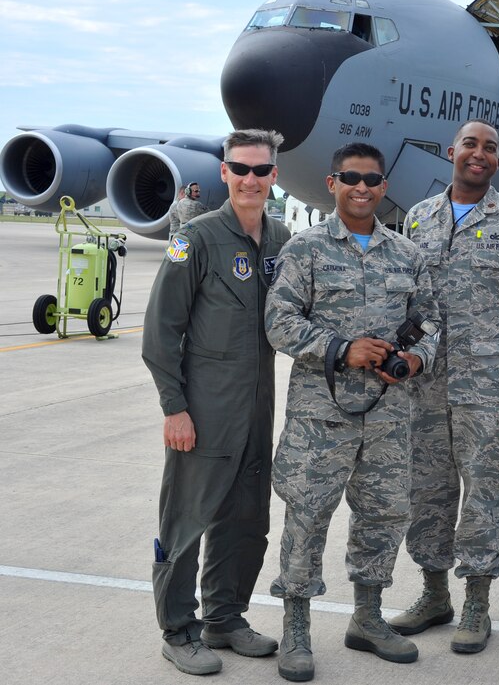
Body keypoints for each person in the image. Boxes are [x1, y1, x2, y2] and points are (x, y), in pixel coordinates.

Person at [264, 142, 439, 681]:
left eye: (371, 179)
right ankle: (296, 627)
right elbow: (279, 322)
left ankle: (367, 617)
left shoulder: (407, 254)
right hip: (321, 417)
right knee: (308, 514)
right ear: (332, 183)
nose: (361, 187)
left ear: (384, 186)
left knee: (384, 514)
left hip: (388, 414)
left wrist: (415, 359)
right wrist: (341, 349)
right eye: (350, 178)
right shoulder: (306, 249)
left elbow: (431, 321)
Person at [390, 119, 499, 654]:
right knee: (427, 491)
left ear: (497, 161)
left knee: (484, 494)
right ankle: (435, 593)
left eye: (489, 148)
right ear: (451, 152)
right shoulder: (419, 217)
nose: (478, 154)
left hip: (490, 384)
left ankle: (476, 602)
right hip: (425, 385)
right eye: (470, 145)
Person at [142, 129, 291, 676]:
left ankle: (225, 618)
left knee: (246, 518)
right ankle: (178, 630)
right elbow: (161, 331)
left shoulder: (281, 239)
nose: (251, 179)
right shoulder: (196, 238)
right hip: (204, 409)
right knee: (187, 520)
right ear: (224, 172)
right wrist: (174, 408)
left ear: (274, 176)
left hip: (257, 407)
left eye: (261, 170)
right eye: (240, 168)